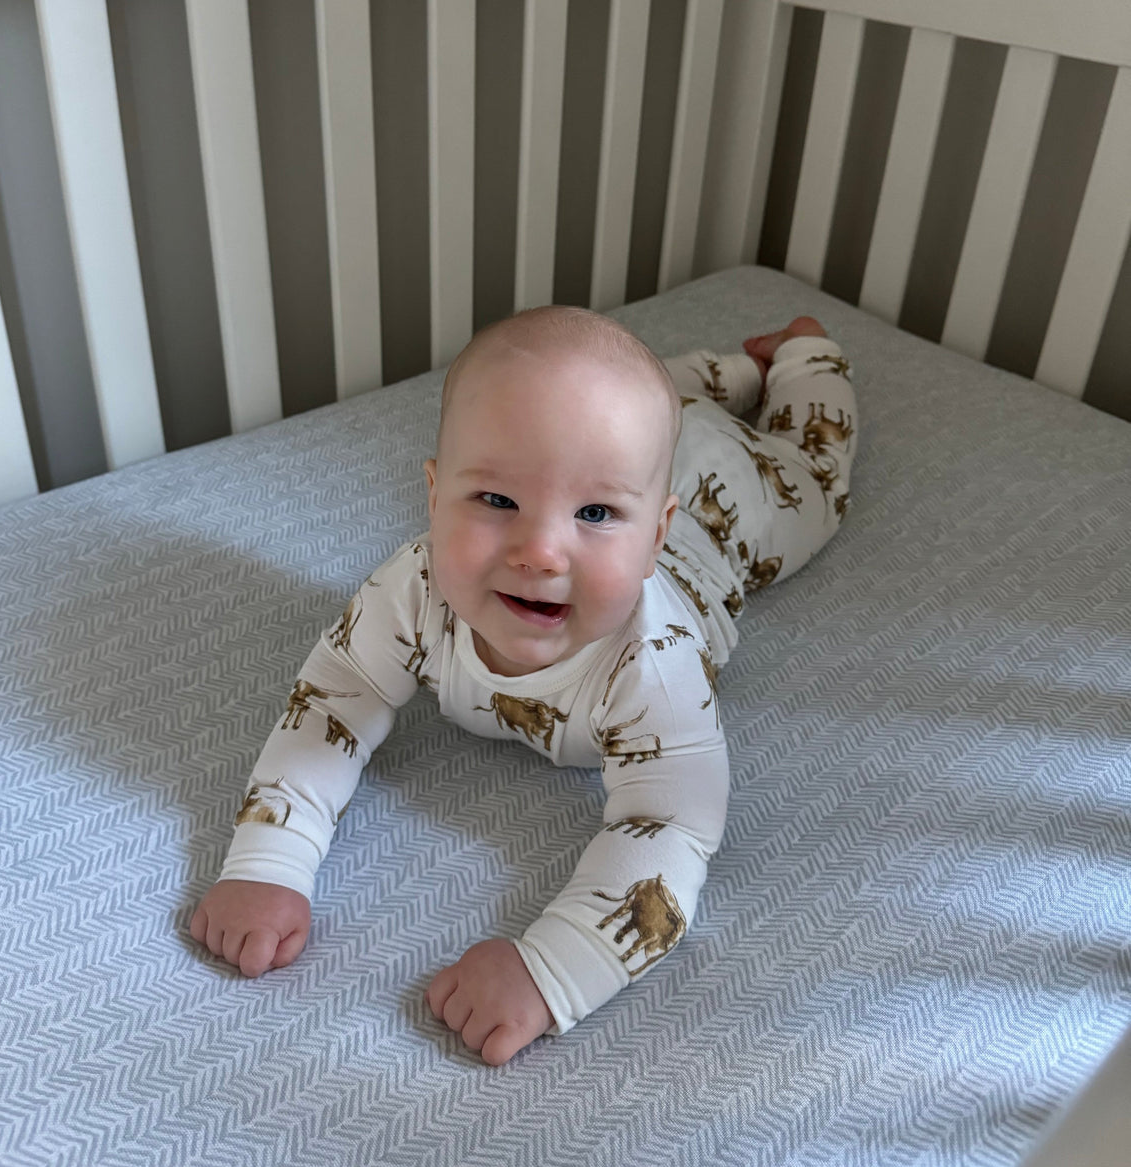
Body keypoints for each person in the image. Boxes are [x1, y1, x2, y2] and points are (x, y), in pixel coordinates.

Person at [191, 305, 858, 1065]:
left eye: (596, 513)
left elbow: (671, 825)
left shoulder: (654, 663)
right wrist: (269, 862)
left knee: (814, 484)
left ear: (655, 537)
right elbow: (337, 694)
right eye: (497, 501)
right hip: (645, 447)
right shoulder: (411, 590)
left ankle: (799, 353)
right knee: (635, 408)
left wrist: (554, 970)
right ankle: (728, 375)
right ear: (434, 497)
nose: (541, 551)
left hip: (729, 503)